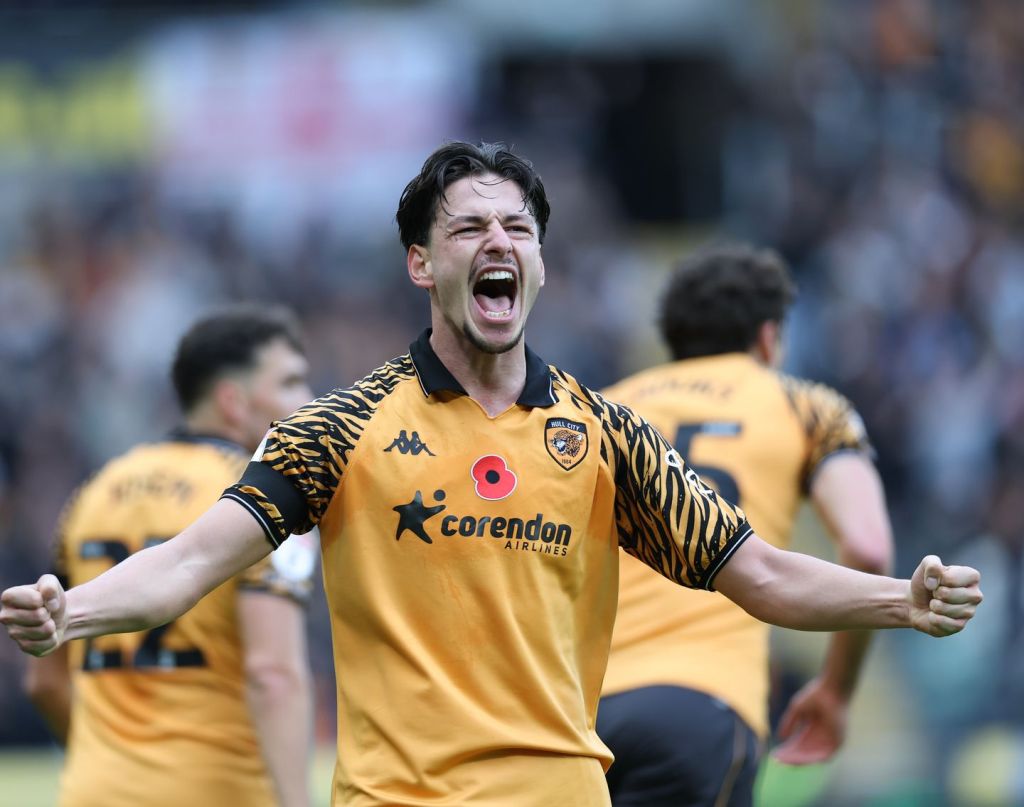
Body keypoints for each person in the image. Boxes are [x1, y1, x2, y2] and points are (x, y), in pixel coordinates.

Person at [2, 142, 982, 807]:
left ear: (541, 264)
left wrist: (900, 600)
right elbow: (187, 562)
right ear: (420, 264)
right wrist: (70, 613)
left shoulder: (608, 435)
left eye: (517, 227)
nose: (498, 243)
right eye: (469, 229)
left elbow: (759, 572)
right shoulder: (336, 429)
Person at [597, 244, 894, 806]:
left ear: (674, 340)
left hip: (578, 720)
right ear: (768, 337)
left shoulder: (601, 410)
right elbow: (867, 547)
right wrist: (835, 690)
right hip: (703, 706)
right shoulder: (806, 405)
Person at [22, 305, 317, 807]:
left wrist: (106, 769)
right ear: (233, 401)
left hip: (93, 794)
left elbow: (43, 680)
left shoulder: (93, 492)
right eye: (290, 383)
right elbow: (273, 674)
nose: (309, 402)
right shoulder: (268, 500)